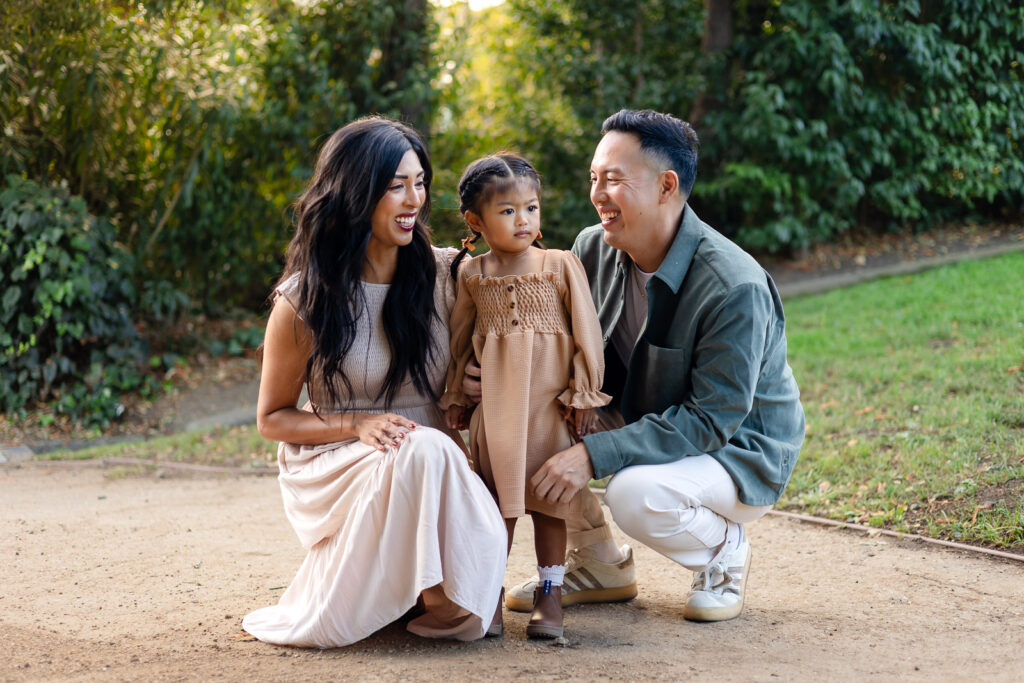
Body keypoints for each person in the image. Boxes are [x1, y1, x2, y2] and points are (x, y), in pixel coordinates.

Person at [474, 109, 804, 622]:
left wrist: (593, 455)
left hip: (739, 450)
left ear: (666, 186)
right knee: (534, 417)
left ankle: (724, 550)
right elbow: (554, 353)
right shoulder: (592, 250)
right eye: (593, 179)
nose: (597, 193)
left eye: (612, 180)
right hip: (644, 419)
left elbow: (712, 420)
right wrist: (488, 376)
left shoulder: (733, 286)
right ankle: (601, 564)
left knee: (633, 493)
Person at [242, 116, 507, 649]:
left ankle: (437, 588)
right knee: (422, 449)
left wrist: (479, 378)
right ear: (356, 193)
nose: (413, 199)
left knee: (427, 448)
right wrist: (358, 423)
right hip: (336, 460)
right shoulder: (304, 301)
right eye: (394, 186)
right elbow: (272, 418)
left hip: (434, 462)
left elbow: (491, 359)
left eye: (419, 182)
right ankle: (437, 596)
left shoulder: (451, 275)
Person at [441, 153, 611, 639]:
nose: (524, 220)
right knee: (498, 503)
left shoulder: (559, 265)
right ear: (476, 221)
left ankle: (550, 592)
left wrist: (584, 394)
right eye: (508, 211)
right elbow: (460, 341)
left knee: (549, 501)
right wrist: (458, 394)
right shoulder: (472, 275)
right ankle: (487, 593)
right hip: (496, 412)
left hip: (549, 408)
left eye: (531, 208)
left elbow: (587, 333)